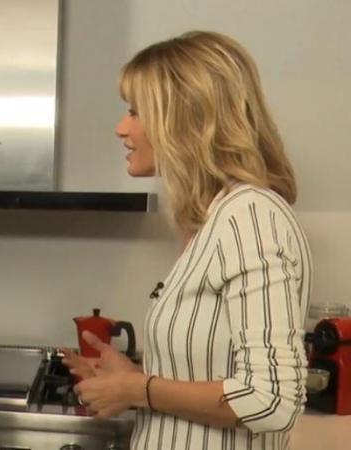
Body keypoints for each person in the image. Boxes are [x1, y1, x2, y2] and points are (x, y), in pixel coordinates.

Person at [63, 31, 312, 450]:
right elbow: (212, 373)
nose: (122, 128)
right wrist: (131, 379)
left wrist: (137, 388)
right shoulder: (214, 220)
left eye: (136, 112)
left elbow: (271, 401)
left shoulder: (250, 216)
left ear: (185, 119)